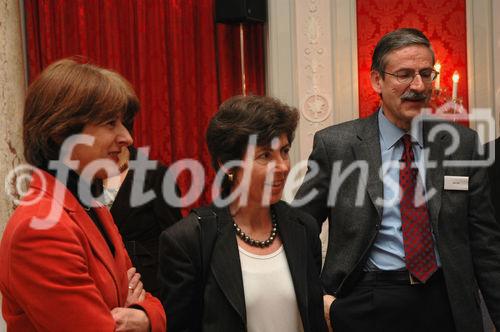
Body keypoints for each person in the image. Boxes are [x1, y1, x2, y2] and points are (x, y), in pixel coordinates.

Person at [295, 28, 500, 332]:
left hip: (445, 300)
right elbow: (301, 228)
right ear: (377, 80)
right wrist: (316, 296)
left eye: (426, 74)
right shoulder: (336, 145)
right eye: (404, 74)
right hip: (367, 298)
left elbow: (485, 242)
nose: (418, 86)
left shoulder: (462, 144)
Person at [0, 59, 166, 331]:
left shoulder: (90, 206)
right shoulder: (41, 227)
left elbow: (148, 300)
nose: (127, 138)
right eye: (110, 123)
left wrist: (144, 316)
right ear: (61, 132)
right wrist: (140, 311)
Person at [158, 95, 327, 332]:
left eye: (285, 151)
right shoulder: (188, 240)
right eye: (265, 155)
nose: (283, 166)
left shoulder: (303, 227)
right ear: (227, 164)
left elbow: (314, 320)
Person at [102, 145, 182, 297]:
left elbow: (174, 238)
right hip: (104, 285)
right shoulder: (84, 178)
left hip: (149, 286)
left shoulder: (154, 174)